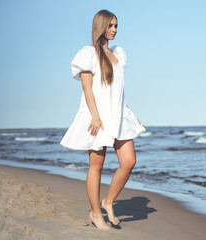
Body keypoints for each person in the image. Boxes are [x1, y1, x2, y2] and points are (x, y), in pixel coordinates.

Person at [60, 9, 145, 231]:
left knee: (129, 162)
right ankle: (96, 213)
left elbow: (117, 91)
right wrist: (95, 116)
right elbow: (87, 89)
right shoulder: (88, 54)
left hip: (119, 115)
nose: (114, 30)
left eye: (116, 26)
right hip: (97, 116)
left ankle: (108, 201)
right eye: (110, 25)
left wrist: (127, 112)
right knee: (96, 165)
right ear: (100, 26)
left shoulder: (119, 54)